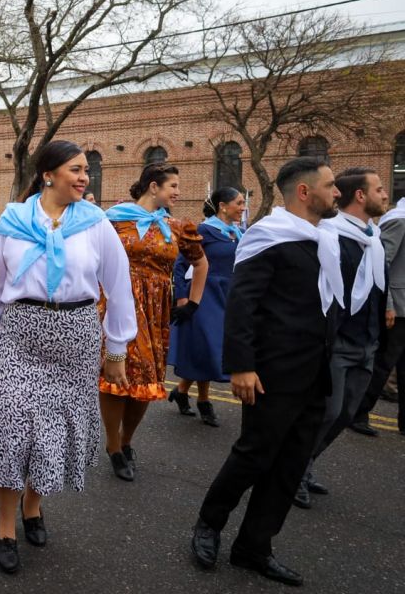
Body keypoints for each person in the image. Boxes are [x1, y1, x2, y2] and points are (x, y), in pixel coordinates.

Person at [0, 140, 135, 574]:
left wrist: (116, 348)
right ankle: (4, 525)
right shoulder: (10, 223)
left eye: (86, 170)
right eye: (75, 169)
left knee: (55, 429)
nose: (84, 177)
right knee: (13, 425)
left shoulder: (96, 223)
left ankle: (33, 506)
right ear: (48, 174)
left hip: (76, 335)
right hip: (22, 335)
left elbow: (119, 284)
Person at [190, 157, 341, 586]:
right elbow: (242, 306)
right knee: (254, 455)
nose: (337, 193)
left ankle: (254, 546)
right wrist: (241, 365)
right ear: (305, 192)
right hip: (271, 371)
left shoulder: (322, 238)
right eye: (330, 186)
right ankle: (209, 524)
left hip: (314, 371)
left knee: (290, 464)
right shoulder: (268, 237)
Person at [99, 163, 208, 480]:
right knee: (115, 375)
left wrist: (194, 303)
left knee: (146, 379)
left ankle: (127, 440)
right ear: (153, 186)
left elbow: (200, 264)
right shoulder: (113, 221)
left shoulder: (177, 227)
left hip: (155, 312)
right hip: (116, 305)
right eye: (172, 185)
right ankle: (113, 445)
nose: (178, 191)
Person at [288, 167, 387, 509]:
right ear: (360, 196)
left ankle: (305, 463)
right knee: (327, 413)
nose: (385, 195)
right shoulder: (331, 238)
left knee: (347, 413)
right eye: (378, 189)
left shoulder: (372, 239)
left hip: (367, 341)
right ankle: (293, 471)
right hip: (339, 342)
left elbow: (376, 289)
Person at [167, 187, 246, 427]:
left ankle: (180, 392)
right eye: (239, 203)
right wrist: (183, 298)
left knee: (210, 348)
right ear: (223, 205)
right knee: (209, 347)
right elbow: (181, 265)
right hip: (203, 297)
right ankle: (203, 401)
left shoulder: (238, 234)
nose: (243, 207)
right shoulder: (204, 230)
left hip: (228, 297)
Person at [351, 181, 405, 437]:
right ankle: (358, 412)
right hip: (398, 307)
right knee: (384, 363)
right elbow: (383, 262)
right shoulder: (399, 220)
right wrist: (389, 304)